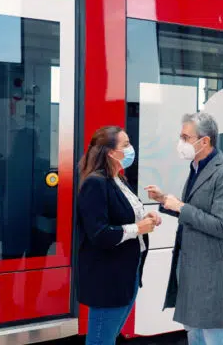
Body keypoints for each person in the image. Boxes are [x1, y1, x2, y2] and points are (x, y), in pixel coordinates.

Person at [145, 112, 223, 345]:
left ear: (205, 141)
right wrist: (165, 200)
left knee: (213, 334)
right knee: (194, 332)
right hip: (190, 264)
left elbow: (221, 225)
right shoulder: (197, 167)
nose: (181, 143)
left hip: (209, 268)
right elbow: (192, 210)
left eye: (185, 137)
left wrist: (180, 206)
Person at [75, 125, 162, 345]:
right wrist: (138, 228)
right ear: (112, 153)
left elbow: (124, 215)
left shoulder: (119, 180)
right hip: (108, 278)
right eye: (126, 145)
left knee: (109, 336)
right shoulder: (95, 183)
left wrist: (147, 216)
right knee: (101, 339)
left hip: (127, 271)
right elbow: (99, 234)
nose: (131, 148)